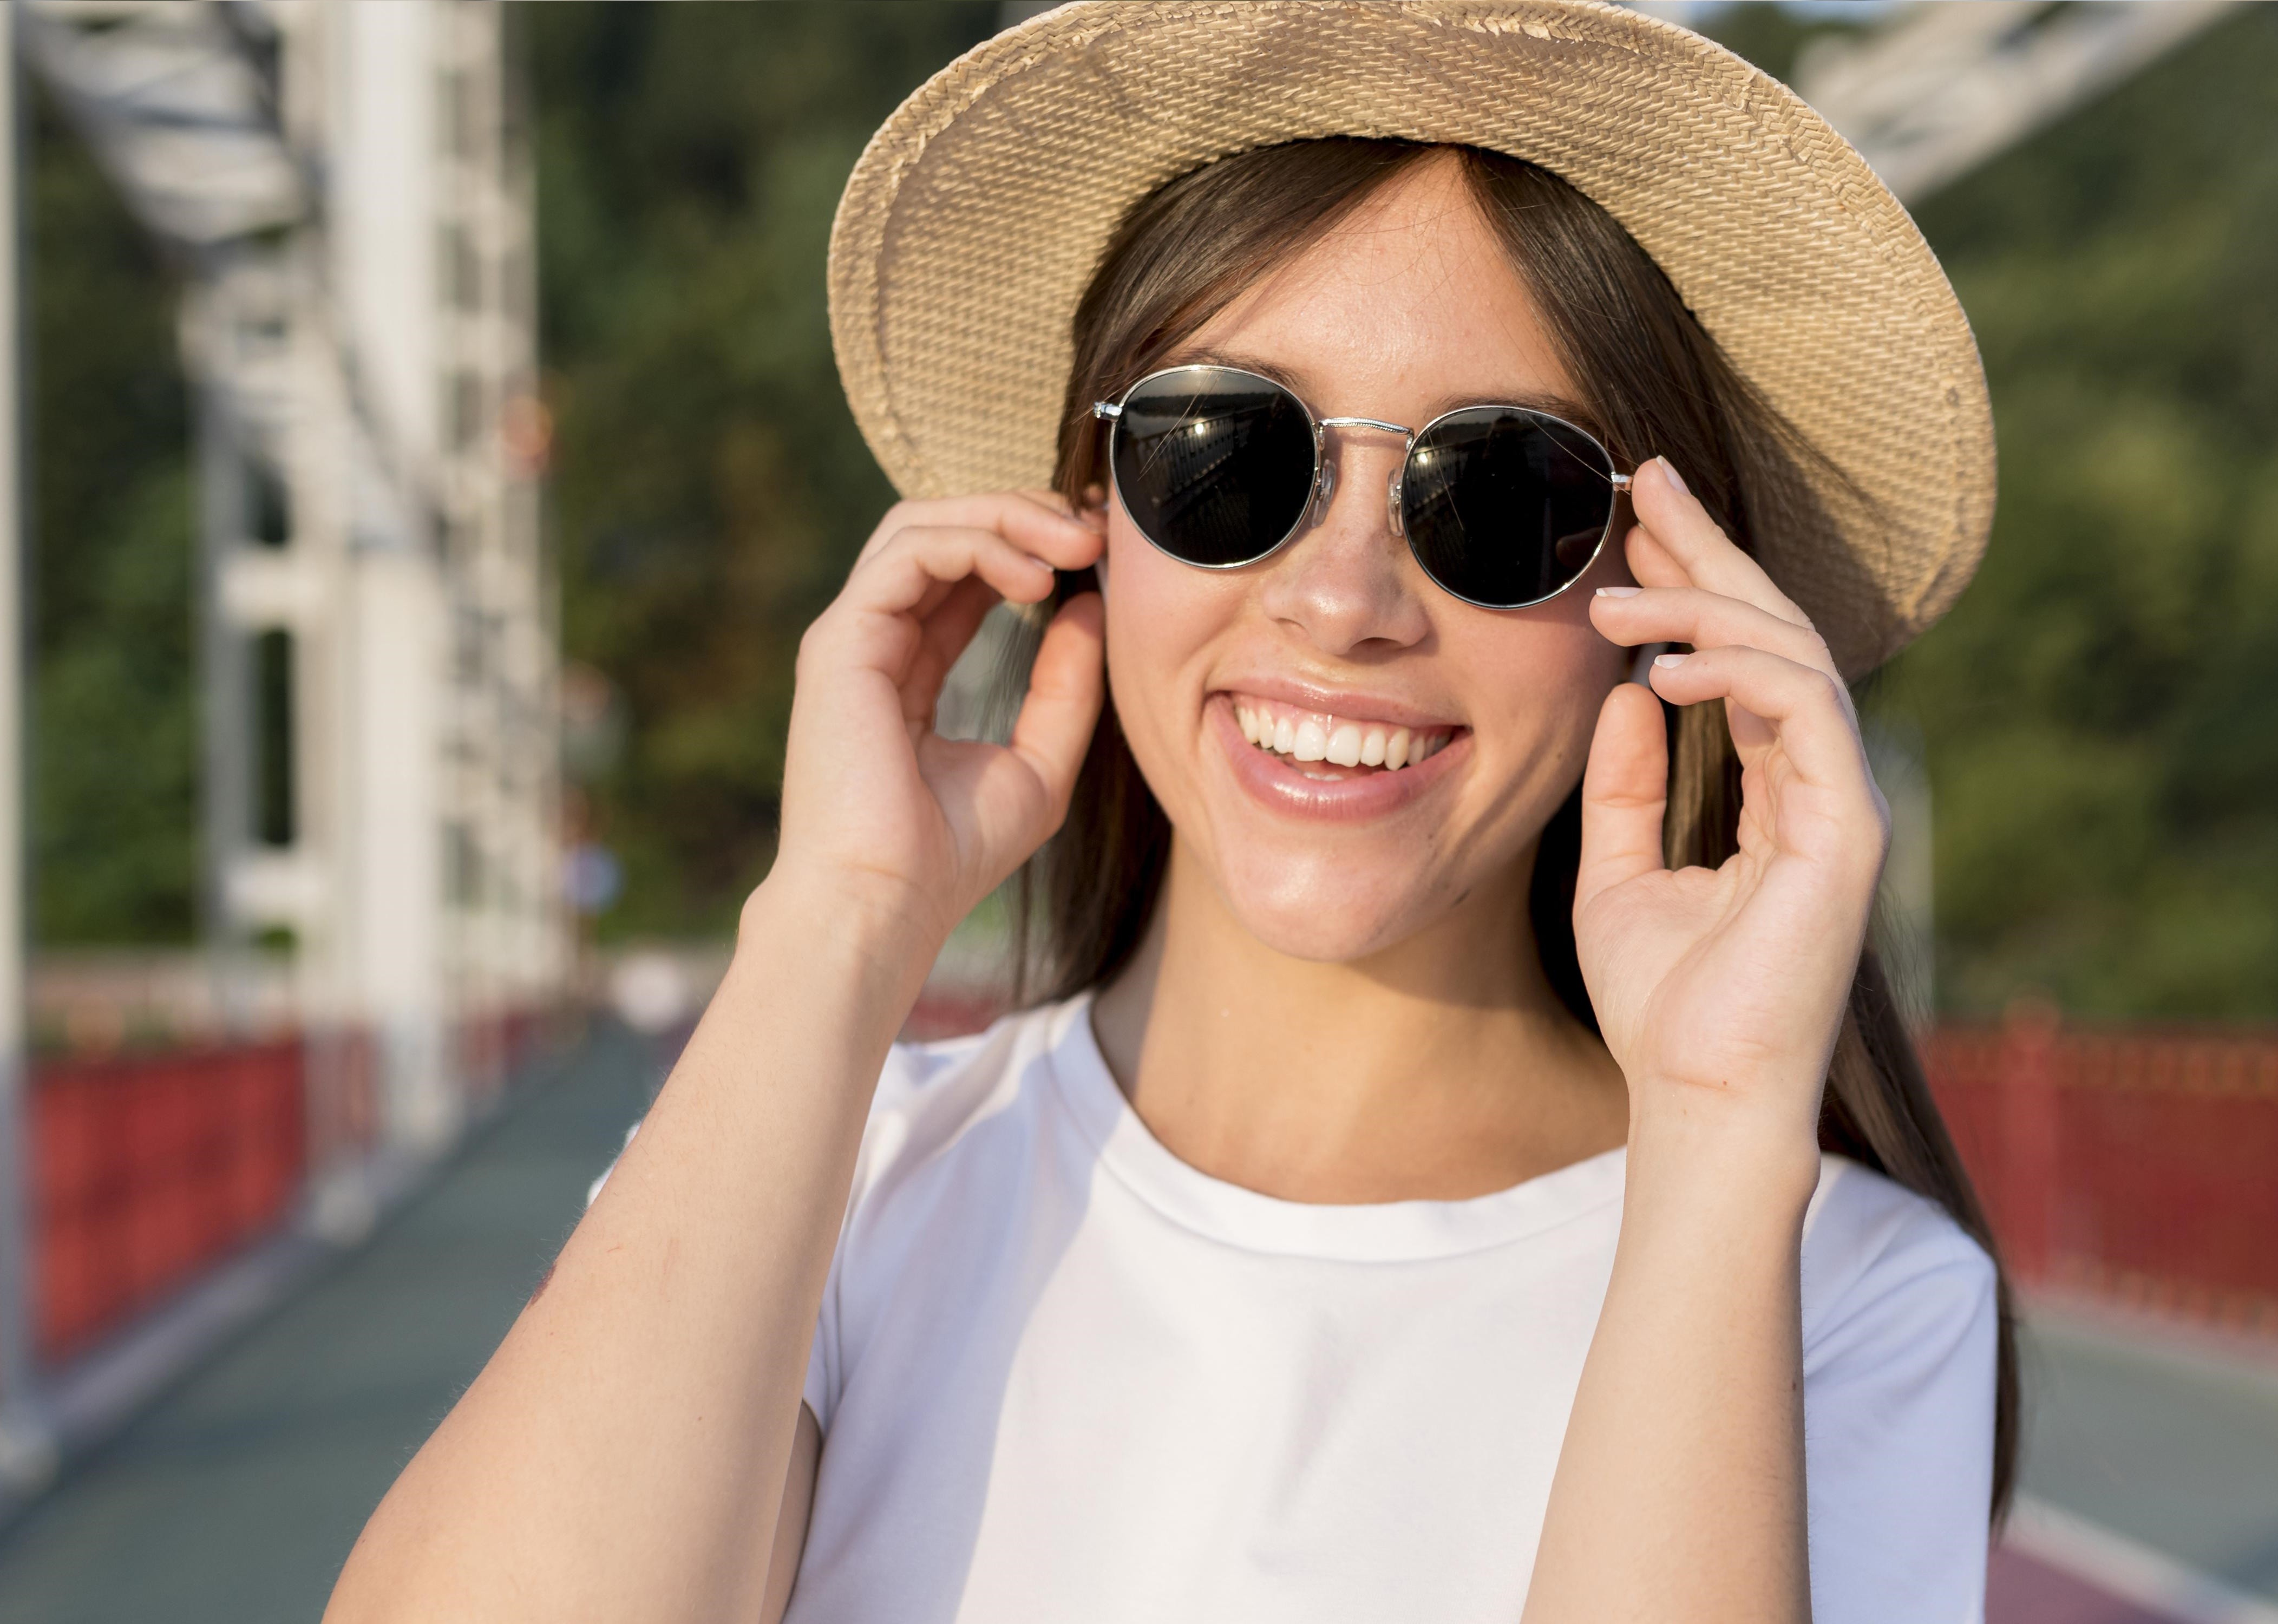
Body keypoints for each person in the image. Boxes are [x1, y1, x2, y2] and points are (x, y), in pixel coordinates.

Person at [325, 5, 2013, 1622]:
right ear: (1086, 516)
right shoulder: (823, 1179)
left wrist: (1721, 1128)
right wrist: (837, 917)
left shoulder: (1831, 1298)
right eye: (1227, 457)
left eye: (1500, 496)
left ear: (1667, 602)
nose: (1344, 599)